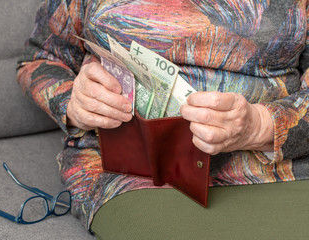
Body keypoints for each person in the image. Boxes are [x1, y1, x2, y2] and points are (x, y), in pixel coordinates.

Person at [17, 0, 309, 239]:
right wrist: (73, 102)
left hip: (276, 169)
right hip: (137, 173)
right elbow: (40, 57)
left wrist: (259, 126)